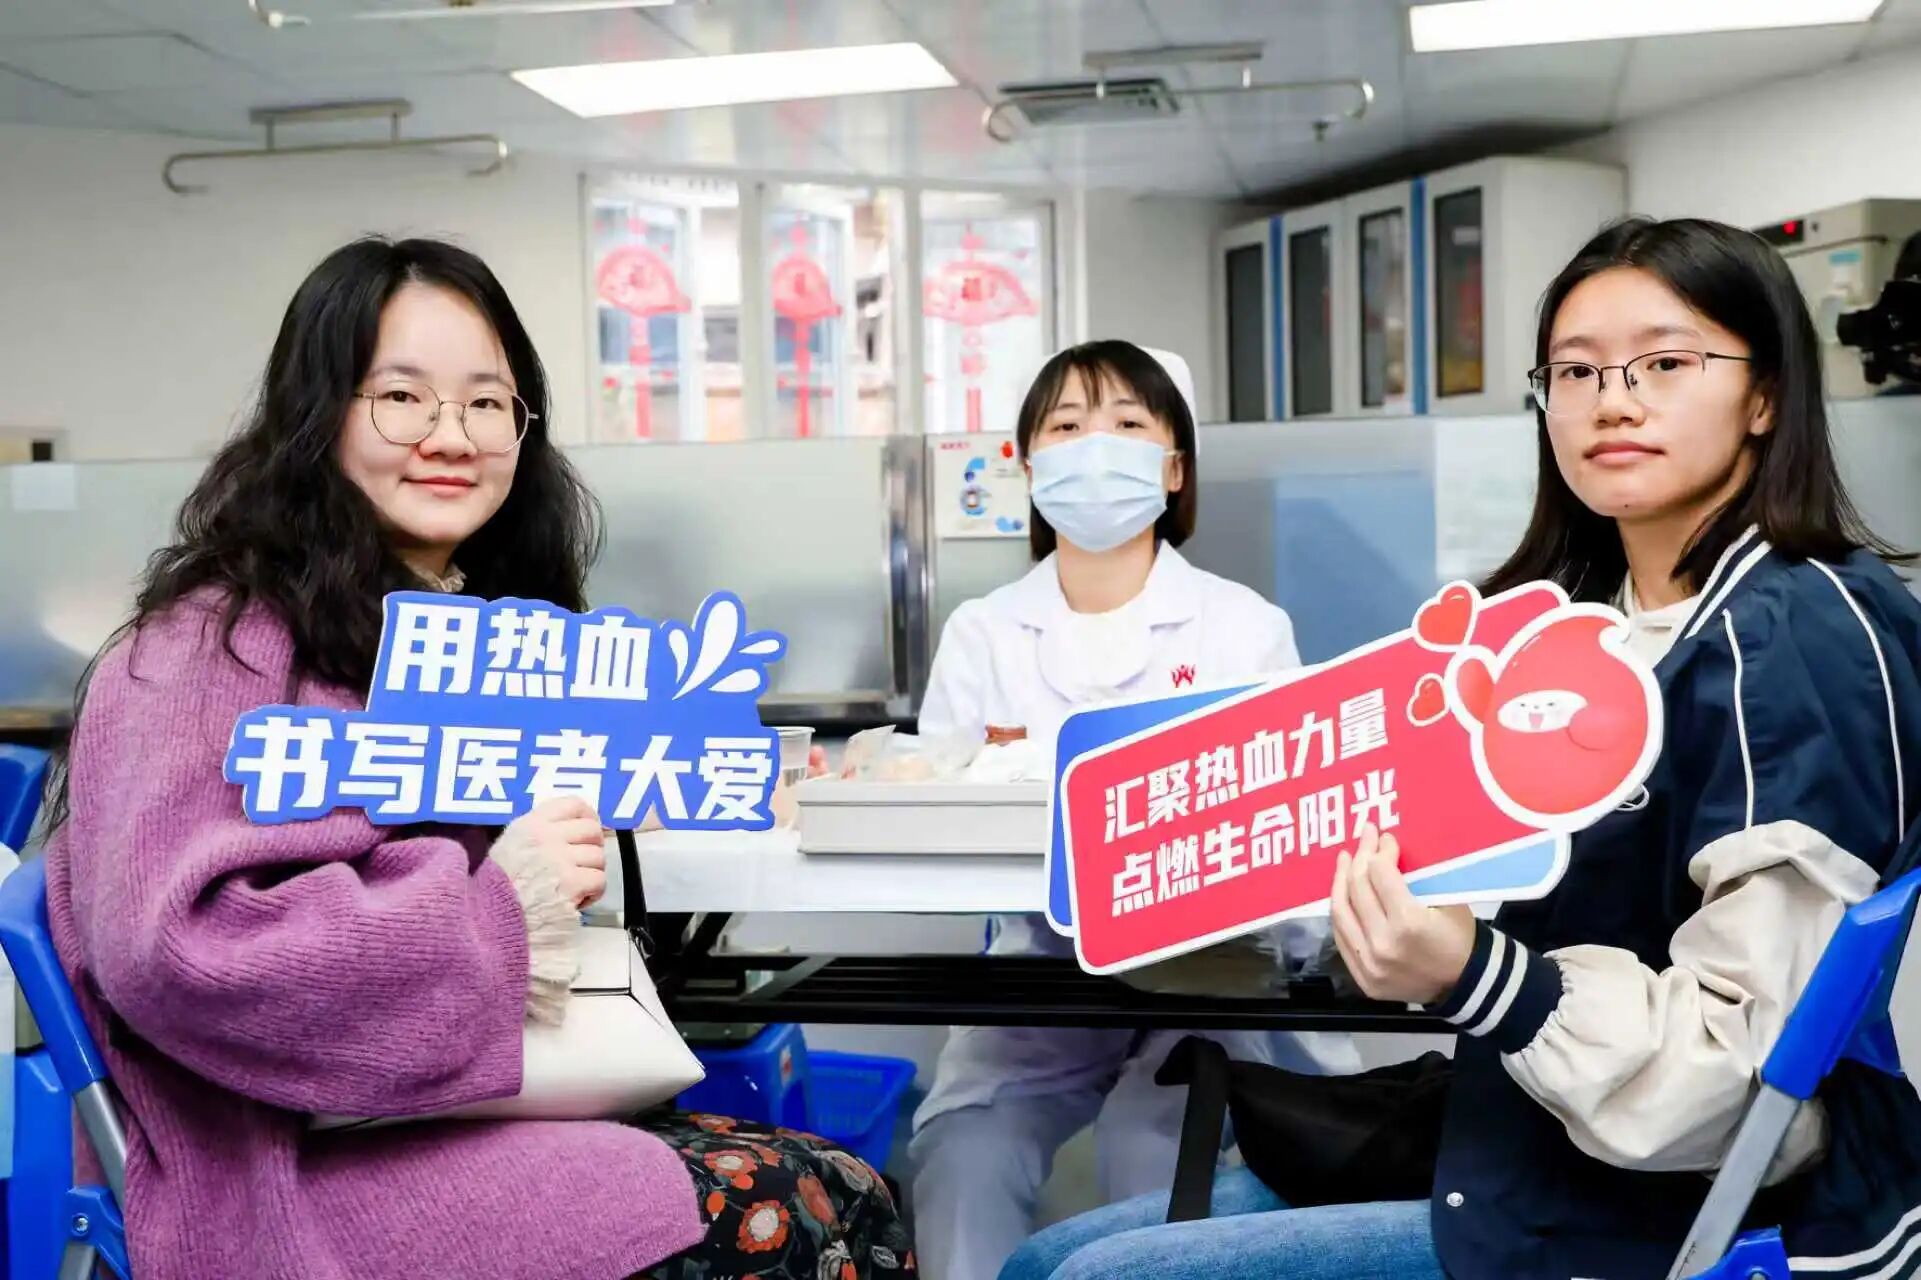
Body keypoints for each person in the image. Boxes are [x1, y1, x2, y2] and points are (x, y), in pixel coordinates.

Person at [998, 217, 1921, 1280]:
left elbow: (1734, 1077)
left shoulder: (1790, 641)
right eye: (1575, 371)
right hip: (1534, 1138)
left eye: (1665, 363)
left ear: (1764, 395)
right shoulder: (1589, 621)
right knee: (1044, 1256)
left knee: (1088, 1276)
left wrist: (1479, 972)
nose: (1613, 400)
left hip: (1678, 1214)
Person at [43, 237, 914, 1280]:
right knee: (813, 1205)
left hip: (435, 1112)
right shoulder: (208, 645)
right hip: (278, 1169)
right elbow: (186, 951)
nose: (451, 437)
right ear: (316, 416)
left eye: (487, 403)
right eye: (401, 398)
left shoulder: (454, 628)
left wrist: (692, 780)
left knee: (843, 1186)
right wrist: (503, 904)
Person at [908, 340, 1360, 1280]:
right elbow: (939, 813)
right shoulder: (982, 632)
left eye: (1125, 424)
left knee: (1151, 1150)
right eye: (1067, 426)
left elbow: (1288, 820)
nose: (1093, 448)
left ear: (1174, 467)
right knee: (963, 1149)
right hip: (1040, 967)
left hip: (1211, 967)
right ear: (1028, 466)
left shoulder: (1242, 627)